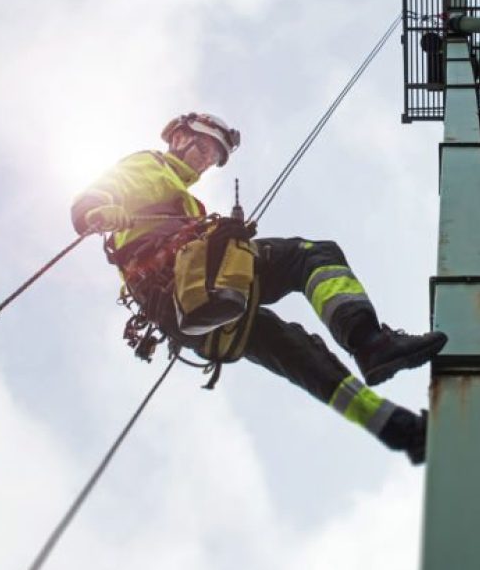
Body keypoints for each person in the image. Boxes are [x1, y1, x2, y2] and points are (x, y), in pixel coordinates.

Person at [70, 112, 447, 465]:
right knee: (310, 256)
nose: (204, 162)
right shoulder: (154, 166)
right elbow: (111, 187)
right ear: (180, 137)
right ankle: (371, 343)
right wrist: (95, 207)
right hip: (188, 280)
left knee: (301, 354)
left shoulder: (190, 204)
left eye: (212, 158)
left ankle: (402, 431)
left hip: (187, 310)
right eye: (202, 149)